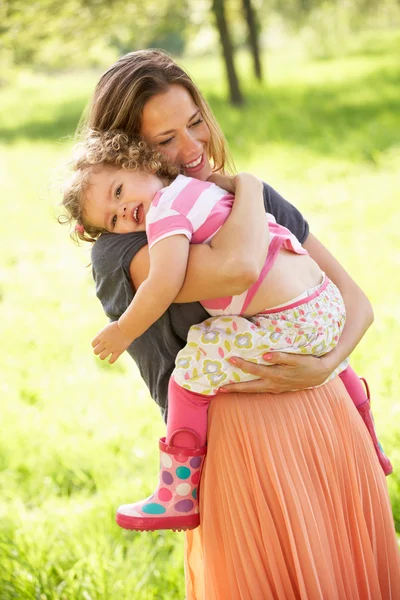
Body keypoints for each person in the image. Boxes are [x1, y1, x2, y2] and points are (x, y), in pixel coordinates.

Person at [72, 49, 400, 598]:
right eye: (165, 140)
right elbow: (240, 265)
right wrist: (247, 185)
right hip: (240, 446)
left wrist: (322, 366)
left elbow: (357, 301)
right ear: (129, 154)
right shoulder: (126, 243)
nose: (193, 148)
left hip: (329, 419)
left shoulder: (226, 203)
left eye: (196, 121)